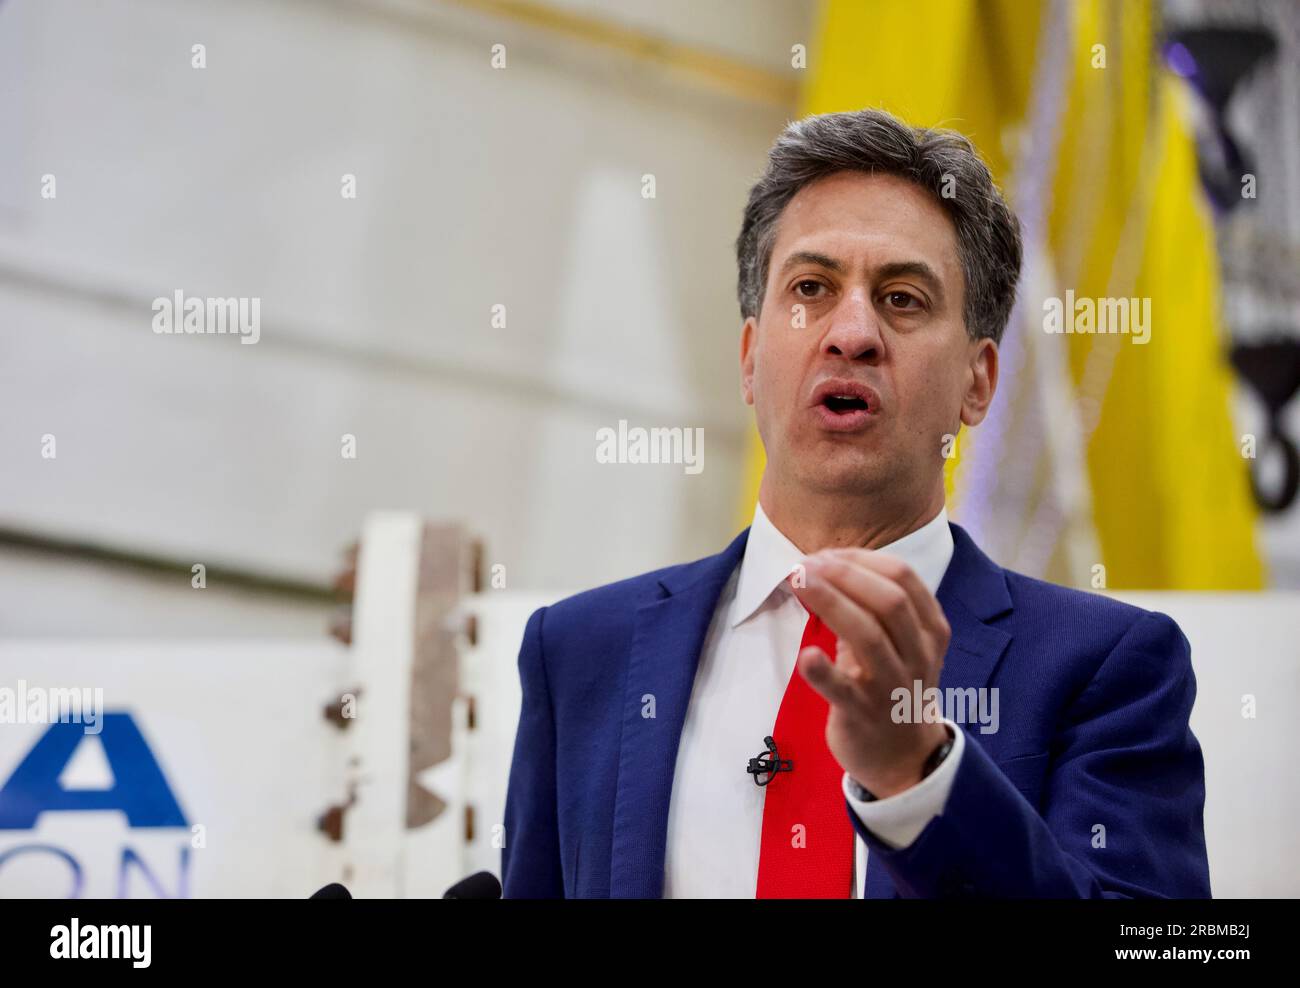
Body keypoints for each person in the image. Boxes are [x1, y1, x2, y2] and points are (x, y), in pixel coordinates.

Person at [501, 108, 1211, 898]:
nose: (852, 333)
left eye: (904, 298)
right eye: (811, 288)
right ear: (749, 356)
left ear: (978, 382)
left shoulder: (1107, 669)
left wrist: (921, 778)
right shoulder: (580, 654)